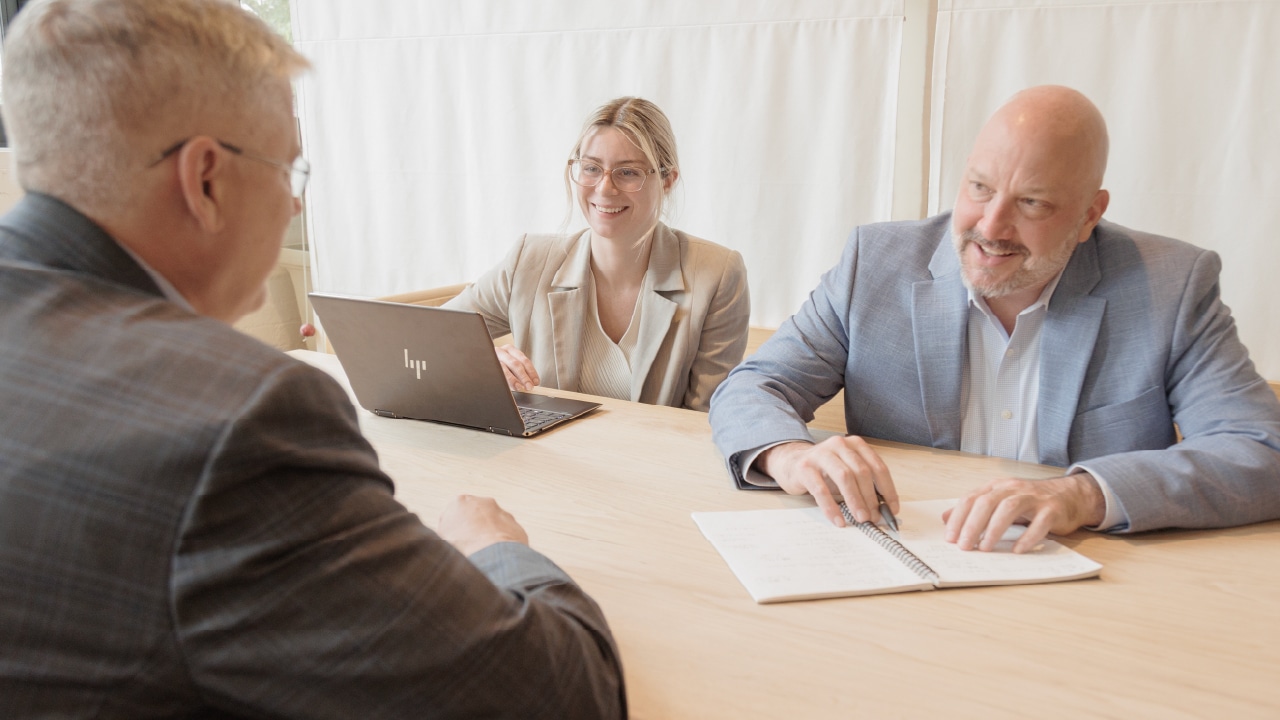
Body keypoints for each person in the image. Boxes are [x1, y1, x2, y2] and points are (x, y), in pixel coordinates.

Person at [0, 1, 624, 717]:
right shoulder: (243, 421)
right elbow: (562, 694)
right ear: (206, 180)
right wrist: (496, 550)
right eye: (289, 168)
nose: (296, 207)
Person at [709, 85, 1280, 553]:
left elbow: (1261, 452)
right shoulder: (875, 265)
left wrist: (1080, 496)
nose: (992, 226)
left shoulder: (1171, 286)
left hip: (1089, 578)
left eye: (1032, 203)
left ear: (1090, 215)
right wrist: (791, 454)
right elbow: (753, 386)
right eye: (979, 188)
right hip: (905, 554)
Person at [445, 97, 750, 412]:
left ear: (668, 180)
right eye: (591, 168)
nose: (604, 188)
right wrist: (480, 356)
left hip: (654, 460)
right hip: (542, 458)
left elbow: (706, 421)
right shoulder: (528, 262)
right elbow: (425, 338)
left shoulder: (717, 274)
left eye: (628, 172)